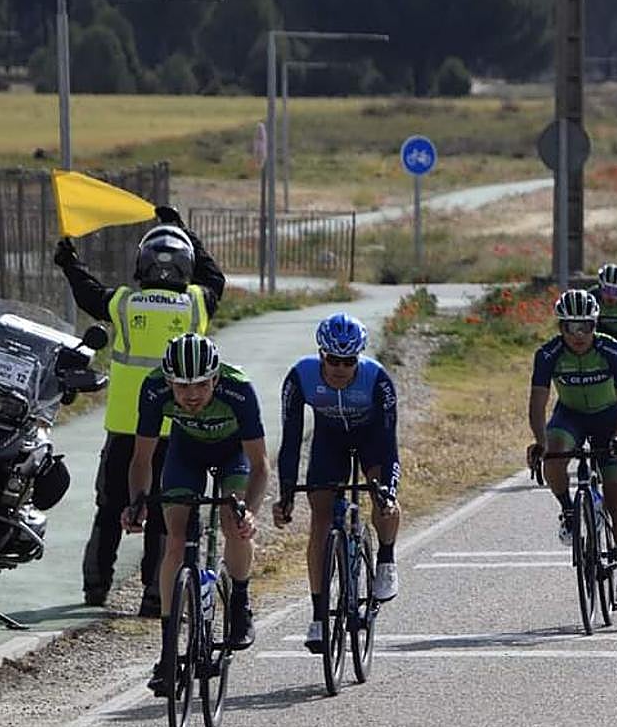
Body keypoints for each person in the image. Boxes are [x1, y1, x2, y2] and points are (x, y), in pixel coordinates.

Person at [55, 206, 225, 617]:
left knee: (111, 507)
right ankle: (154, 597)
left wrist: (70, 264)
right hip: (179, 427)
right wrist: (184, 229)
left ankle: (95, 589)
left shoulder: (125, 303)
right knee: (168, 515)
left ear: (142, 263)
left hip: (125, 427)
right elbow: (215, 278)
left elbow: (89, 295)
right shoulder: (195, 303)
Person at [121, 334, 268, 696]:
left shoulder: (239, 389)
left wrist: (249, 512)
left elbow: (260, 465)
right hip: (184, 454)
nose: (191, 395)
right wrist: (136, 502)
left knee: (235, 527)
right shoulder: (154, 389)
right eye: (182, 385)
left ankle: (240, 598)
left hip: (232, 456)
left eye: (201, 384)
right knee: (175, 538)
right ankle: (169, 653)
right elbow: (142, 459)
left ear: (216, 379)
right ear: (168, 381)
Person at [272, 313, 402, 653]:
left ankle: (386, 559)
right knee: (320, 517)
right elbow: (291, 438)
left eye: (348, 361)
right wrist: (286, 491)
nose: (340, 368)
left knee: (383, 500)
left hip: (372, 438)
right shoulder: (301, 377)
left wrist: (387, 488)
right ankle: (318, 617)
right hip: (329, 441)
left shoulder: (377, 379)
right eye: (333, 360)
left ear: (358, 357)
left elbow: (389, 443)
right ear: (321, 354)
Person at [527, 290, 617, 606]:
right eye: (570, 328)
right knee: (553, 454)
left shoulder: (611, 349)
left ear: (594, 325)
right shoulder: (548, 354)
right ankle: (568, 510)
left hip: (609, 420)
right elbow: (537, 402)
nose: (578, 335)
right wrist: (540, 441)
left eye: (585, 327)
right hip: (570, 416)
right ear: (560, 327)